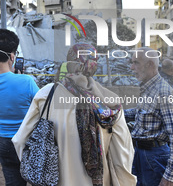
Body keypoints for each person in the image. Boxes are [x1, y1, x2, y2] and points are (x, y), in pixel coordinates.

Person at [13, 43, 136, 186]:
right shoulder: (110, 103)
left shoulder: (46, 95)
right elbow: (122, 155)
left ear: (69, 63)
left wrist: (37, 170)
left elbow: (20, 140)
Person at [0, 29, 39, 186]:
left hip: (4, 144)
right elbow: (42, 107)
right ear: (12, 56)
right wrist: (18, 76)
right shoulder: (26, 81)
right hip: (29, 142)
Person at [125, 47, 173, 186]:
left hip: (154, 157)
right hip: (141, 154)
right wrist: (114, 113)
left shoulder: (163, 92)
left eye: (136, 63)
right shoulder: (149, 87)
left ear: (150, 65)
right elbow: (141, 112)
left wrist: (170, 177)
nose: (131, 67)